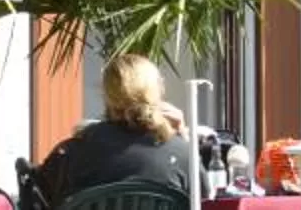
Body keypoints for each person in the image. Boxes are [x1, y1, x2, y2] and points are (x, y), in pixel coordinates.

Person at [38, 54, 196, 206]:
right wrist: (184, 138)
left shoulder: (71, 153)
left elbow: (38, 198)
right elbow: (204, 200)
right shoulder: (182, 154)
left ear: (106, 94)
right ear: (158, 90)